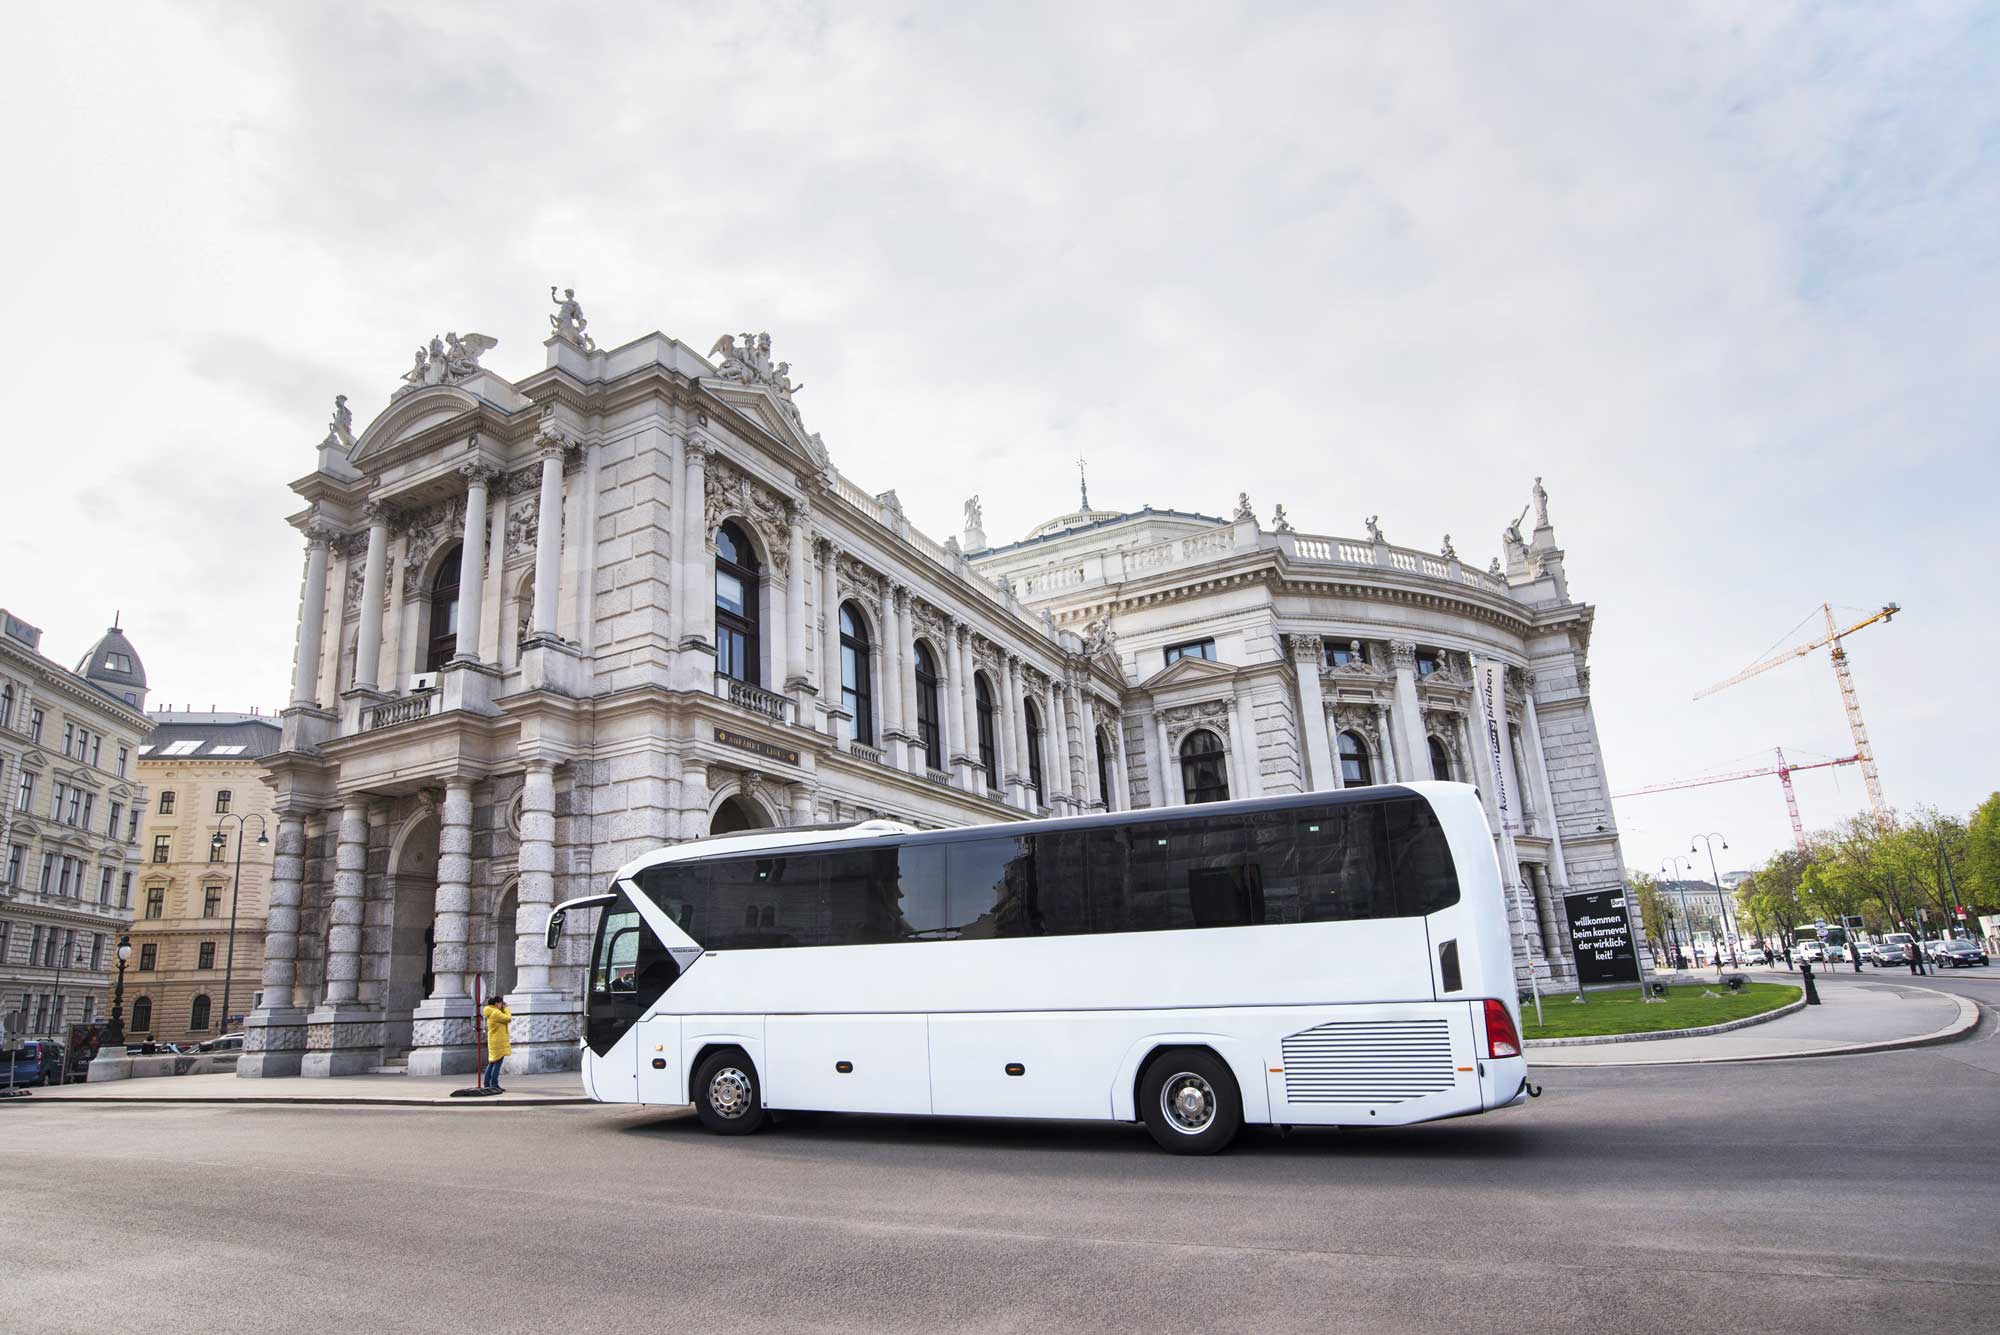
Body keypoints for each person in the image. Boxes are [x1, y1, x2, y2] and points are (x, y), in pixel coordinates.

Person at [482, 993, 512, 1092]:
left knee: (491, 1063)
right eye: (500, 1003)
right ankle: (494, 1084)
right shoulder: (495, 1013)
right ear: (496, 1004)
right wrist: (506, 1009)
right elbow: (508, 1018)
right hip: (498, 1042)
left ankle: (487, 1083)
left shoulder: (491, 1012)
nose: (502, 1005)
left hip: (494, 1041)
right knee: (497, 1064)